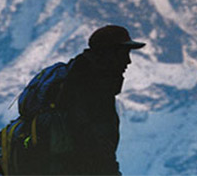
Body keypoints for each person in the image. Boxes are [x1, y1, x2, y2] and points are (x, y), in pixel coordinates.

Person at [50, 25, 145, 175]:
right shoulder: (91, 87)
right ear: (108, 53)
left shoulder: (82, 78)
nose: (128, 61)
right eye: (123, 53)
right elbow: (93, 147)